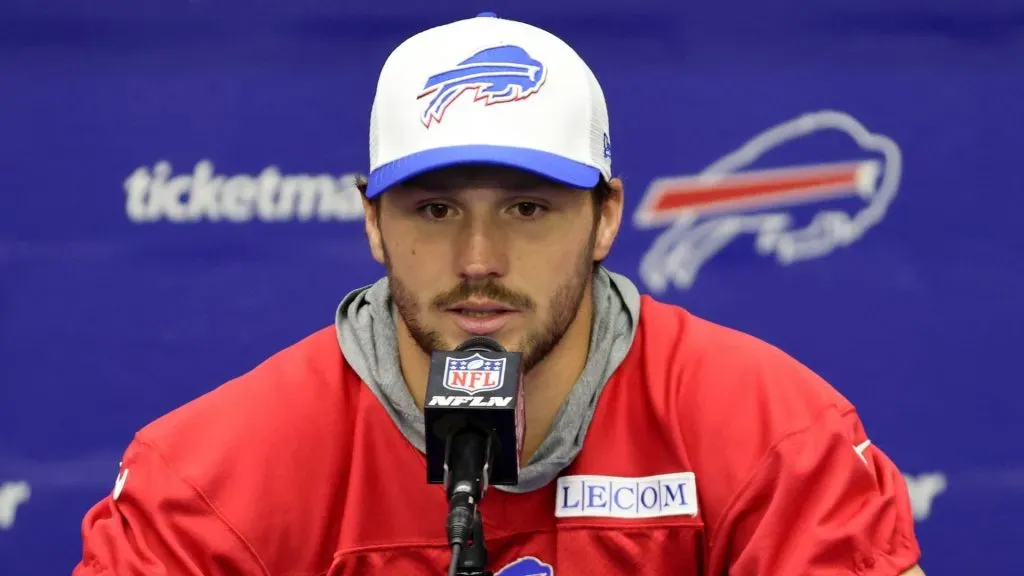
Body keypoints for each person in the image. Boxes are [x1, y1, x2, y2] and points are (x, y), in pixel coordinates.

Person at [74, 12, 926, 576]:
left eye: (527, 208)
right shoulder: (209, 481)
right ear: (372, 220)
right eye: (436, 209)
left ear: (604, 219)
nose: (479, 258)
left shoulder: (773, 435)